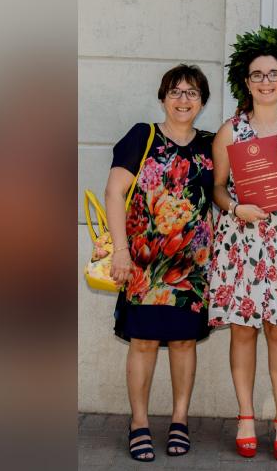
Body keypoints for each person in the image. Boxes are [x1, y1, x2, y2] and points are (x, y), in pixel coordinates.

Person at [206, 27, 277, 462]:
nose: (266, 81)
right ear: (247, 82)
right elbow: (218, 188)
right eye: (258, 75)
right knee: (242, 330)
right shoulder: (230, 131)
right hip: (242, 241)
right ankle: (246, 417)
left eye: (273, 74)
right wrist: (235, 210)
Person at [100, 64, 214, 462]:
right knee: (144, 342)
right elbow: (115, 193)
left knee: (184, 342)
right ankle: (139, 423)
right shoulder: (141, 136)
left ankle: (180, 420)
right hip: (143, 262)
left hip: (191, 266)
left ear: (203, 102)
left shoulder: (212, 145)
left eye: (192, 93)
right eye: (176, 92)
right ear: (163, 97)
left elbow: (228, 196)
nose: (184, 100)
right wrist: (119, 251)